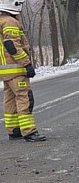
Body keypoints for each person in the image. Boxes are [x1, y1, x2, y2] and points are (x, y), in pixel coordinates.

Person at [0, 0, 44, 142]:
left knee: (10, 100)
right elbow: (12, 45)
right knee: (24, 98)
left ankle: (14, 130)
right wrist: (27, 64)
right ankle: (29, 132)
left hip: (5, 71)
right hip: (16, 69)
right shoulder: (10, 22)